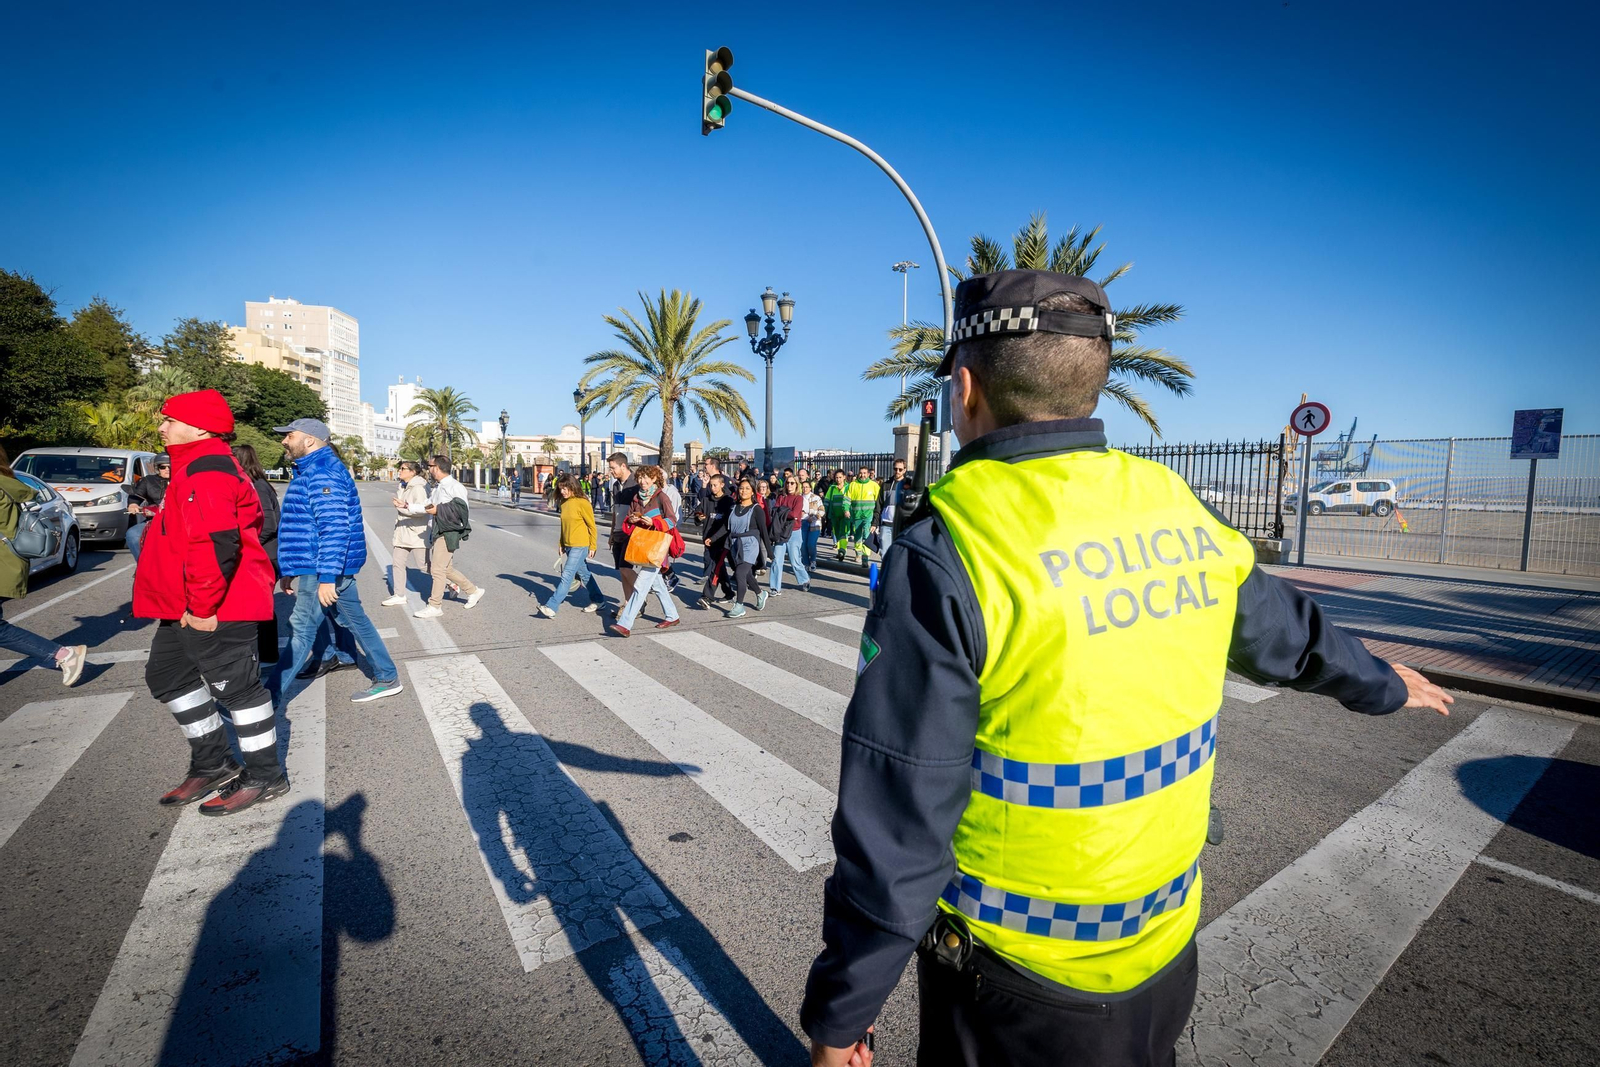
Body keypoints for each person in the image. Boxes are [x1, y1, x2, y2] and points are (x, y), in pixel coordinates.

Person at [798, 269, 1455, 1067]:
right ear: (1092, 385)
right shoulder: (1174, 503)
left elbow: (900, 818)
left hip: (1016, 986)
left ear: (964, 388)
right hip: (1163, 954)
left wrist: (841, 1017)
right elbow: (1291, 634)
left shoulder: (953, 547)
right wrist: (1388, 681)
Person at [133, 390, 284, 814]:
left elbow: (216, 545)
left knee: (238, 690)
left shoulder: (209, 471)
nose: (161, 428)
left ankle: (266, 774)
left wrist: (202, 609)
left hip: (217, 606)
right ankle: (213, 762)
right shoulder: (190, 468)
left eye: (169, 420)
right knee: (167, 677)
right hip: (180, 604)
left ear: (198, 427)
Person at [271, 418, 404, 704]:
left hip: (321, 568)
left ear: (309, 440)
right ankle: (387, 675)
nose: (284, 441)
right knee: (356, 622)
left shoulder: (321, 472)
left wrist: (327, 577)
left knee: (302, 631)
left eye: (289, 435)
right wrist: (290, 569)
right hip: (318, 565)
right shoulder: (311, 470)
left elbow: (334, 527)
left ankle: (261, 702)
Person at [0, 445, 88, 685]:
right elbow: (27, 493)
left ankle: (63, 655)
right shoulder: (8, 482)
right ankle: (63, 654)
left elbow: (26, 493)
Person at [608, 465, 680, 636]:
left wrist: (654, 523)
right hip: (642, 546)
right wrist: (632, 519)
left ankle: (625, 624)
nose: (642, 481)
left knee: (640, 585)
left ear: (654, 479)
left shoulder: (661, 497)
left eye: (646, 477)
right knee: (658, 585)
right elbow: (628, 521)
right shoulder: (636, 498)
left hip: (656, 548)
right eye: (640, 478)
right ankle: (672, 615)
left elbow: (672, 520)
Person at [415, 454, 484, 618]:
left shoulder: (455, 487)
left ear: (437, 468)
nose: (428, 469)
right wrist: (408, 506)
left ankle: (435, 605)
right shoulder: (439, 487)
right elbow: (428, 505)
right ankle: (473, 591)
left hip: (447, 532)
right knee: (447, 569)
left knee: (437, 570)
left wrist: (438, 510)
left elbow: (462, 511)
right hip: (438, 531)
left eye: (430, 466)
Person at [232, 444, 282, 666]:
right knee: (258, 604)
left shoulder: (257, 486)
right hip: (263, 553)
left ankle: (267, 654)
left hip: (265, 554)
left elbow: (268, 525)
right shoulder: (253, 483)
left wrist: (244, 545)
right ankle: (264, 653)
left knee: (262, 606)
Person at [540, 474, 606, 617]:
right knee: (585, 574)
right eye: (561, 489)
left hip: (580, 545)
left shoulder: (582, 502)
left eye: (565, 488)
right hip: (569, 545)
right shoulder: (563, 503)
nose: (563, 491)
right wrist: (561, 543)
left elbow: (592, 526)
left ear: (572, 486)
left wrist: (593, 546)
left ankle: (552, 606)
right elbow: (564, 525)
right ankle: (599, 600)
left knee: (567, 575)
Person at [722, 478, 771, 618]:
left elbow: (764, 532)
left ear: (753, 492)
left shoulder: (757, 510)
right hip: (735, 545)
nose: (743, 491)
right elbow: (726, 527)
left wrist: (770, 553)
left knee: (739, 574)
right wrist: (712, 539)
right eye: (741, 488)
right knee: (746, 574)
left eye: (747, 488)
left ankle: (739, 606)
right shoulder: (733, 507)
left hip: (750, 544)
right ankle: (761, 593)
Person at [383, 460, 430, 606]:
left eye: (403, 469)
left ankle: (450, 582)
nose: (400, 471)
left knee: (425, 566)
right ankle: (399, 594)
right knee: (397, 563)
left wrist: (403, 507)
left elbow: (423, 510)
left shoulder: (419, 487)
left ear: (413, 472)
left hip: (417, 532)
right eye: (400, 468)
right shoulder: (404, 486)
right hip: (403, 531)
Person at [605, 452, 640, 607]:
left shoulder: (636, 484)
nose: (611, 471)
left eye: (613, 468)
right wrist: (612, 532)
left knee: (626, 569)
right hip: (618, 532)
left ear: (623, 466)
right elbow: (616, 511)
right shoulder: (615, 485)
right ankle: (628, 603)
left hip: (630, 533)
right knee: (621, 571)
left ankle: (641, 594)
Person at [769, 474, 812, 595]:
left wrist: (782, 512)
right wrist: (785, 512)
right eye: (787, 483)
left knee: (795, 560)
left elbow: (794, 514)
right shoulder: (781, 497)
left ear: (797, 485)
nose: (789, 485)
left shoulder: (799, 498)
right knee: (777, 560)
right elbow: (774, 511)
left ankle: (804, 579)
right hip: (781, 531)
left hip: (794, 531)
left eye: (792, 483)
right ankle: (775, 587)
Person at [124, 453, 171, 560]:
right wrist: (133, 504)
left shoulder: (183, 479)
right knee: (133, 535)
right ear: (157, 468)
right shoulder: (148, 480)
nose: (167, 469)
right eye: (163, 467)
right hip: (154, 520)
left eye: (170, 467)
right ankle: (142, 566)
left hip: (180, 521)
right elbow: (136, 495)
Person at [698, 474, 734, 608]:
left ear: (722, 485)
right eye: (711, 485)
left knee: (715, 568)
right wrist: (699, 517)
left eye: (715, 485)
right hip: (708, 540)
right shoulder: (706, 500)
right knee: (720, 568)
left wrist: (714, 538)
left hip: (722, 541)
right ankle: (729, 593)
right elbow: (698, 512)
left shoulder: (728, 501)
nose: (712, 488)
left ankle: (707, 596)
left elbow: (727, 525)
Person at [840, 466, 881, 564]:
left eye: (864, 473)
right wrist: (846, 510)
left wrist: (877, 517)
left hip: (869, 516)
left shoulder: (874, 485)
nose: (863, 475)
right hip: (856, 515)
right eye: (861, 473)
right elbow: (846, 499)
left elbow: (879, 501)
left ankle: (865, 557)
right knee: (857, 535)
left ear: (868, 474)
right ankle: (858, 553)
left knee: (866, 535)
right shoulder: (853, 485)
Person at [800, 478, 826, 573]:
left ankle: (813, 560)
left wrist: (815, 517)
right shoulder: (799, 498)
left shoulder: (816, 498)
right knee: (803, 545)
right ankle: (806, 563)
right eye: (803, 487)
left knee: (811, 544)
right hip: (802, 523)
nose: (805, 489)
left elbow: (822, 510)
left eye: (807, 487)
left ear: (810, 488)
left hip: (814, 524)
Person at [824, 470, 851, 559]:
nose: (838, 479)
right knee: (836, 533)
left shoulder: (849, 487)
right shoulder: (832, 488)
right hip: (834, 515)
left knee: (843, 532)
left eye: (840, 477)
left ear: (844, 477)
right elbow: (827, 501)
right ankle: (840, 550)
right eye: (836, 477)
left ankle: (842, 550)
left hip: (845, 515)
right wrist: (824, 512)